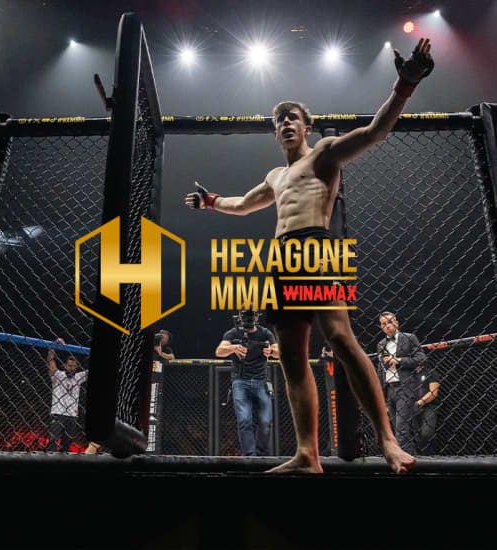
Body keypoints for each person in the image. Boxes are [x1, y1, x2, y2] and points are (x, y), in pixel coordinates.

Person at [186, 38, 435, 473]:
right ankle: (307, 454)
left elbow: (375, 132)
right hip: (281, 257)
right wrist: (210, 202)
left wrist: (405, 85)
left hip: (316, 247)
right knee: (292, 356)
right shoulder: (276, 176)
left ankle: (388, 441)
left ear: (306, 127)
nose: (285, 122)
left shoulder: (324, 153)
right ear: (275, 132)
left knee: (340, 338)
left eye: (293, 117)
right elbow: (243, 204)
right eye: (279, 119)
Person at [215, 310, 279, 456]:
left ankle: (261, 456)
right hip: (240, 381)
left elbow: (279, 352)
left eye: (252, 316)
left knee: (266, 422)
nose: (249, 319)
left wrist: (270, 351)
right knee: (244, 420)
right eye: (245, 316)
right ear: (239, 316)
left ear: (257, 317)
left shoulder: (265, 333)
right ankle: (250, 457)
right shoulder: (233, 333)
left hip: (261, 381)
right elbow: (219, 351)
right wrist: (233, 348)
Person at [377, 311, 427, 455]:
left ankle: (404, 460)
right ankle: (412, 457)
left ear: (397, 323)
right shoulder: (381, 344)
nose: (387, 326)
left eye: (390, 322)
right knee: (397, 427)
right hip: (389, 388)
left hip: (405, 387)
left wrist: (398, 360)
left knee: (401, 428)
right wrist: (382, 395)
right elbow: (381, 370)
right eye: (384, 324)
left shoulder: (409, 338)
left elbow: (421, 358)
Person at [45, 339, 88, 452]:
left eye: (74, 366)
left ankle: (62, 460)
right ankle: (49, 459)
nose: (71, 368)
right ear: (64, 365)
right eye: (69, 366)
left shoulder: (78, 377)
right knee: (53, 441)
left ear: (76, 367)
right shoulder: (58, 375)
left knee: (67, 443)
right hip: (58, 413)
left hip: (72, 415)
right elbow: (50, 360)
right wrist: (55, 344)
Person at [413, 365, 440, 455]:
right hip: (409, 406)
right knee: (413, 434)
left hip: (428, 405)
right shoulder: (406, 374)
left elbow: (433, 393)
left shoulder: (431, 372)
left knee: (427, 433)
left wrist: (418, 403)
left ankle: (430, 454)